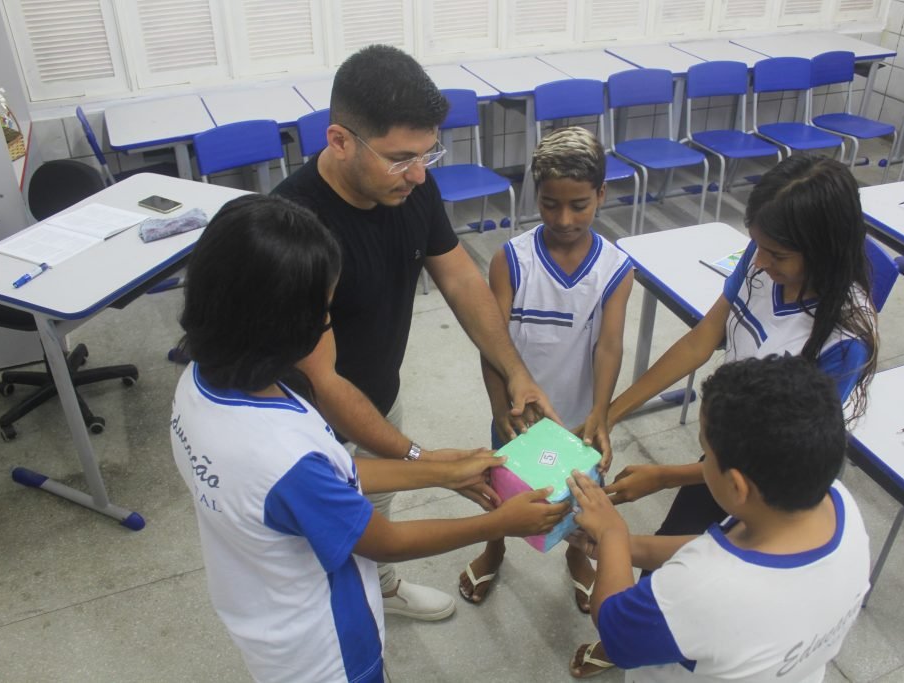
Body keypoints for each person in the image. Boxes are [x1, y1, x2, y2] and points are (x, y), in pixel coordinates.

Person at [170, 195, 569, 683]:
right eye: (325, 313)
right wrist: (500, 522)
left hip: (260, 613)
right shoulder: (279, 454)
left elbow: (328, 477)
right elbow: (385, 540)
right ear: (286, 327)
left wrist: (439, 469)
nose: (328, 324)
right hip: (327, 651)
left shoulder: (201, 382)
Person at [272, 44, 559, 621]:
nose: (420, 172)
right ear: (339, 140)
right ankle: (338, 611)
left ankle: (380, 587)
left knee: (377, 505)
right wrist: (425, 461)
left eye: (429, 153)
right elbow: (322, 381)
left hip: (380, 388)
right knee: (314, 539)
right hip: (306, 419)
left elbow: (457, 275)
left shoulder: (410, 184)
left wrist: (516, 370)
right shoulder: (293, 230)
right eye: (402, 157)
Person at [571, 155, 879, 677]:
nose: (758, 261)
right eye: (756, 243)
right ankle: (652, 621)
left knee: (691, 580)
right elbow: (704, 337)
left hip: (767, 470)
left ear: (822, 249)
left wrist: (658, 484)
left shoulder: (843, 339)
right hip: (730, 451)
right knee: (677, 553)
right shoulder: (760, 264)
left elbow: (781, 460)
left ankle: (651, 632)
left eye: (777, 253)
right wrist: (612, 412)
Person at [567, 355, 871, 682]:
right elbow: (716, 552)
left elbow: (616, 631)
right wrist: (623, 548)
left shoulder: (699, 591)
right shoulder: (838, 505)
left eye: (706, 454)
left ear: (737, 485)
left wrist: (613, 532)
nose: (703, 462)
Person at [457, 127, 634, 609]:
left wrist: (601, 411)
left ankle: (577, 556)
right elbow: (491, 343)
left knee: (576, 495)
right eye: (551, 203)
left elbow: (609, 347)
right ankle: (494, 545)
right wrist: (500, 412)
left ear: (601, 194)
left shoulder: (616, 269)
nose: (564, 218)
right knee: (503, 489)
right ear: (536, 195)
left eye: (579, 204)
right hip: (516, 413)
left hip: (575, 416)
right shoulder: (511, 260)